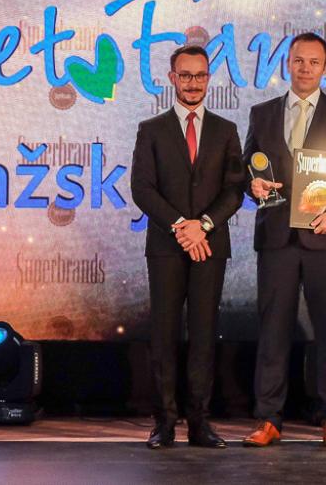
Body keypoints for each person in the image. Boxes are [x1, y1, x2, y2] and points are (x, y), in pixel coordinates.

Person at [241, 32, 326, 448]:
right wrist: (252, 186)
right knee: (273, 332)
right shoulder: (262, 113)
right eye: (299, 60)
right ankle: (268, 418)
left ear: (325, 67)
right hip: (277, 239)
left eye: (314, 62)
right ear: (288, 62)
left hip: (325, 239)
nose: (305, 68)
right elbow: (248, 167)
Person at [130, 45, 246, 449]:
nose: (193, 83)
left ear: (209, 79)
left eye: (200, 75)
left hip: (210, 246)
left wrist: (204, 226)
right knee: (163, 335)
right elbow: (142, 188)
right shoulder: (152, 129)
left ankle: (199, 422)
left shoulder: (226, 130)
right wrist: (182, 226)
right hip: (167, 245)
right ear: (172, 78)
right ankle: (164, 422)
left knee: (203, 334)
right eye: (185, 75)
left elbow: (235, 189)